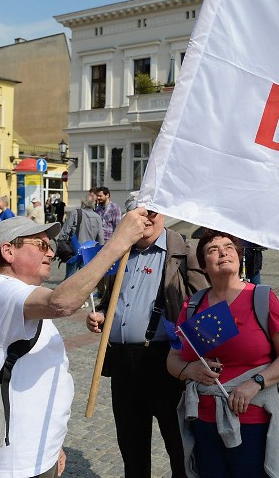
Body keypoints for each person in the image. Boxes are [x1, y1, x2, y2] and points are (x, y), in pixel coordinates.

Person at [0, 210, 147, 477]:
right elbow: (61, 303)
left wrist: (52, 446)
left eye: (50, 245)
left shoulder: (16, 295)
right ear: (8, 252)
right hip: (15, 465)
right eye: (41, 244)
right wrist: (118, 243)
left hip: (37, 453)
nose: (51, 253)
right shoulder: (2, 291)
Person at [86, 201, 207, 477]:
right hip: (122, 364)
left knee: (180, 449)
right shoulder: (119, 254)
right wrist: (102, 316)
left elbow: (203, 303)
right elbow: (109, 301)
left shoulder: (183, 253)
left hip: (165, 361)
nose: (145, 220)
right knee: (132, 448)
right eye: (137, 215)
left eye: (150, 213)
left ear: (162, 214)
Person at [166, 230, 279, 478]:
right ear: (204, 265)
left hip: (253, 418)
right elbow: (173, 359)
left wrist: (255, 383)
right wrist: (189, 369)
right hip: (204, 418)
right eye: (212, 250)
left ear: (239, 258)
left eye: (228, 247)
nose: (222, 252)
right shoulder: (194, 304)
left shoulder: (261, 297)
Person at [57, 199, 103, 279]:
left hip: (74, 250)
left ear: (82, 204)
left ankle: (68, 291)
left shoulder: (75, 213)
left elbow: (65, 230)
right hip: (89, 252)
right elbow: (100, 237)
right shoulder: (98, 217)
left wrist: (61, 243)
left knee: (70, 277)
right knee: (84, 278)